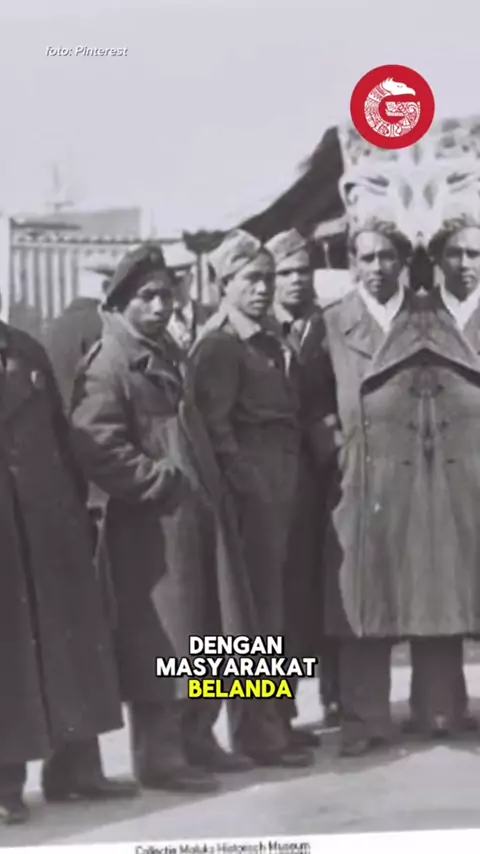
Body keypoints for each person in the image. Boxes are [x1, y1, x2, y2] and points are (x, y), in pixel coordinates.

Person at [71, 242, 247, 795]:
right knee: (164, 640)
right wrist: (158, 481)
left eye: (166, 295)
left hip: (193, 517)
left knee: (208, 630)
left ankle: (198, 736)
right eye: (147, 296)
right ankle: (159, 756)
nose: (160, 306)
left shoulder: (165, 349)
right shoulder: (110, 362)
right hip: (151, 530)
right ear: (120, 301)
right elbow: (95, 443)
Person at [0, 309, 137, 825]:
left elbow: (61, 432)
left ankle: (76, 768)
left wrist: (78, 505)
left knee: (70, 645)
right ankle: (5, 783)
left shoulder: (25, 349)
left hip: (48, 517)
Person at [185, 229, 313, 768]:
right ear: (224, 284)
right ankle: (255, 734)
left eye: (267, 278)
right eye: (251, 280)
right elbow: (216, 431)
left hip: (279, 489)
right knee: (251, 619)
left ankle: (273, 721)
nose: (263, 289)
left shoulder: (264, 338)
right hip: (251, 496)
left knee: (273, 611)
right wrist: (250, 489)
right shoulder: (219, 345)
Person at [404, 215, 480, 737]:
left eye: (475, 254)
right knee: (435, 586)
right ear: (437, 261)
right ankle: (437, 703)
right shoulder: (415, 315)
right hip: (429, 467)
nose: (466, 264)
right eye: (456, 253)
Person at [266, 228, 340, 740]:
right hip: (271, 485)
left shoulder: (331, 325)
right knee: (275, 600)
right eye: (285, 272)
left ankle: (338, 697)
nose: (296, 280)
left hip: (325, 478)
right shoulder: (256, 332)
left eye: (303, 271)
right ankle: (274, 712)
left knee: (329, 589)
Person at [167, 267, 215, 352]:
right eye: (168, 284)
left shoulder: (212, 315)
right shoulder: (158, 323)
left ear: (190, 279)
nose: (172, 289)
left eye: (177, 282)